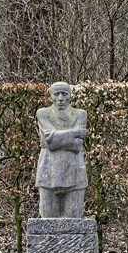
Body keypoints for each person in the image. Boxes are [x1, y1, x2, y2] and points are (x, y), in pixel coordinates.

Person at [35, 82, 88, 218]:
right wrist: (75, 132)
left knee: (74, 220)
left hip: (75, 170)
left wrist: (55, 139)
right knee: (48, 220)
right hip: (48, 170)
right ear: (50, 96)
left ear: (70, 96)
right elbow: (49, 140)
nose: (60, 98)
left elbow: (77, 146)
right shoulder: (43, 113)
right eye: (56, 94)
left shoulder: (80, 114)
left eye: (64, 94)